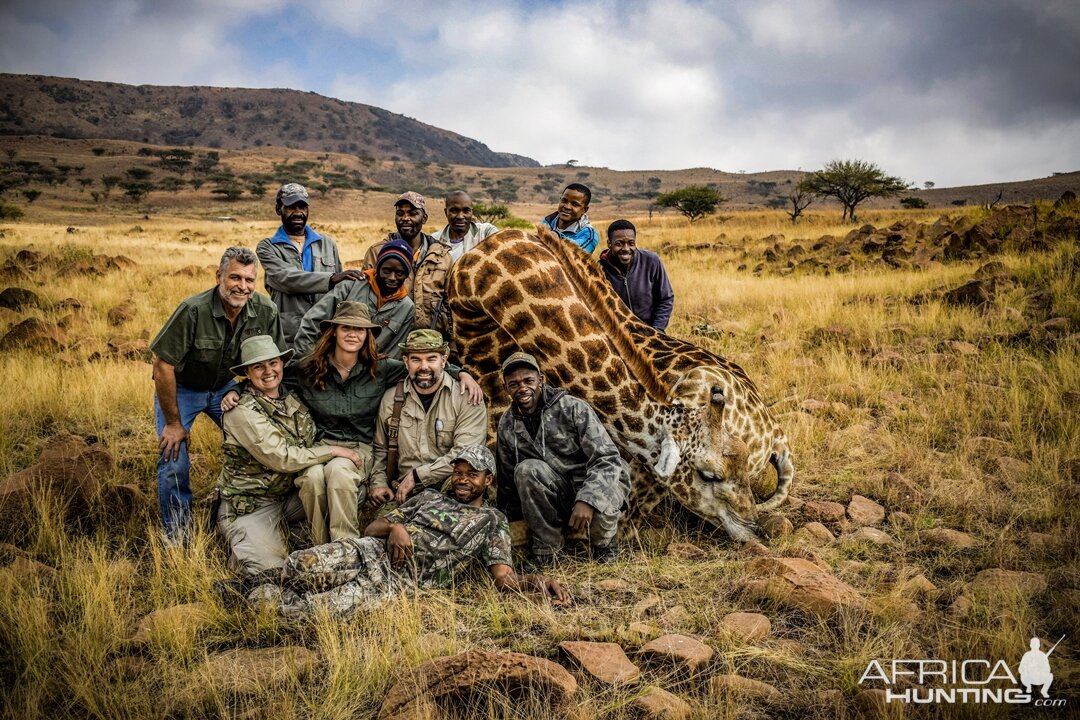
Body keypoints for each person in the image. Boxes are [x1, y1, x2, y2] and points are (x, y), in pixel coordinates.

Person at [243, 446, 572, 616]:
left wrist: (538, 582)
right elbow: (372, 528)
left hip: (396, 584)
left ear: (488, 480)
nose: (462, 479)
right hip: (368, 552)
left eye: (473, 474)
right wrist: (396, 526)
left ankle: (252, 599)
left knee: (309, 613)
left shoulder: (491, 520)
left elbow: (503, 579)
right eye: (458, 472)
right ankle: (252, 584)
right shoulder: (427, 496)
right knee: (301, 564)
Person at [282, 302, 482, 545]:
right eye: (346, 327)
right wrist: (237, 391)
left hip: (358, 448)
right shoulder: (309, 367)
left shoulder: (380, 368)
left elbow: (428, 368)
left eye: (360, 329)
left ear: (368, 335)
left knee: (338, 472)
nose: (353, 334)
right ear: (333, 331)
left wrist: (462, 373)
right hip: (323, 445)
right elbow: (272, 377)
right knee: (313, 477)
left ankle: (345, 545)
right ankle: (320, 545)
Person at [150, 246, 285, 541]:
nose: (243, 287)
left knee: (260, 443)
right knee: (174, 458)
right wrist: (174, 423)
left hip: (226, 385)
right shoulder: (193, 310)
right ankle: (178, 536)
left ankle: (248, 513)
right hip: (182, 388)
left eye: (250, 280)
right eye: (235, 278)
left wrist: (239, 389)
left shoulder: (265, 310)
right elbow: (162, 366)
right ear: (219, 277)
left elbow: (273, 362)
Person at [215, 335, 363, 578]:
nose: (268, 371)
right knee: (270, 572)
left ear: (282, 364)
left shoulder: (290, 395)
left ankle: (332, 551)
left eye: (273, 363)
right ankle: (244, 543)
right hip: (253, 504)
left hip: (289, 497)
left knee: (347, 486)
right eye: (258, 366)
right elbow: (282, 458)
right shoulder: (241, 411)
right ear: (247, 373)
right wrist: (334, 450)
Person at [496, 351, 629, 565]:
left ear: (541, 380)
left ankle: (605, 547)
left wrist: (588, 499)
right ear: (506, 388)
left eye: (528, 380)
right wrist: (505, 523)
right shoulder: (507, 423)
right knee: (526, 469)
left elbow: (607, 459)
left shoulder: (573, 408)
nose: (522, 388)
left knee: (608, 489)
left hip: (593, 481)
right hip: (559, 491)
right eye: (514, 384)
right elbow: (506, 479)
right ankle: (547, 552)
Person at [369, 330, 488, 507]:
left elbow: (466, 456)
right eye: (416, 359)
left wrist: (418, 476)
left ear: (444, 360)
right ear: (405, 362)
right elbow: (380, 449)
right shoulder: (391, 400)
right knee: (380, 530)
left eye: (431, 358)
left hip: (452, 488)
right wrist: (378, 483)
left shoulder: (467, 398)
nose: (424, 366)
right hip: (405, 491)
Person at [256, 182, 363, 346]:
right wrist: (332, 278)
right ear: (278, 209)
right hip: (289, 335)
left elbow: (339, 292)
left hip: (324, 333)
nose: (298, 212)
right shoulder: (268, 247)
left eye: (303, 207)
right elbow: (287, 279)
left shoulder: (327, 243)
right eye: (291, 207)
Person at [293, 239, 415, 359]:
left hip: (370, 372)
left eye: (399, 273)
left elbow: (394, 352)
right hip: (330, 363)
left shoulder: (406, 307)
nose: (392, 278)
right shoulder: (350, 286)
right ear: (377, 268)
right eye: (387, 271)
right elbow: (312, 322)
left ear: (406, 274)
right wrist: (308, 361)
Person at [361, 191, 454, 342]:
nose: (405, 218)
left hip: (432, 341)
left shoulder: (442, 256)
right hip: (388, 341)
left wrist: (453, 344)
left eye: (412, 213)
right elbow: (364, 299)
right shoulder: (377, 251)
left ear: (424, 218)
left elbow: (451, 304)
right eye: (400, 213)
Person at [598, 219, 675, 331]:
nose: (626, 249)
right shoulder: (599, 270)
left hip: (650, 330)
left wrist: (657, 330)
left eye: (631, 243)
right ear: (609, 243)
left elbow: (666, 298)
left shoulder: (651, 261)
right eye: (619, 244)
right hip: (618, 335)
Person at [429, 190, 499, 262]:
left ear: (472, 212)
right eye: (454, 211)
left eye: (466, 211)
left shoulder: (485, 232)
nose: (460, 216)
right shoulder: (433, 240)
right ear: (446, 212)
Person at [541, 183, 600, 254]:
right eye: (564, 200)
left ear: (584, 210)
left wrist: (556, 235)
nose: (567, 207)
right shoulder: (547, 222)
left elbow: (572, 255)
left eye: (574, 204)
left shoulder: (588, 235)